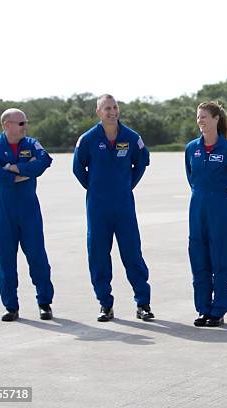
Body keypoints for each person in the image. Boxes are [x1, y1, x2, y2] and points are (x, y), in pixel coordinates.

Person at [73, 94, 154, 322]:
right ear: (98, 112)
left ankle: (143, 303)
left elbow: (141, 162)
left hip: (123, 205)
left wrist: (128, 185)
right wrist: (95, 188)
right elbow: (78, 168)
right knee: (98, 254)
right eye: (107, 108)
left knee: (132, 253)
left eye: (115, 107)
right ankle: (105, 304)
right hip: (98, 207)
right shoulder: (88, 139)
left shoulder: (131, 137)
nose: (112, 111)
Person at [0, 108, 55, 321]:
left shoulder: (31, 144)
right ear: (6, 125)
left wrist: (14, 168)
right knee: (4, 258)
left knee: (37, 256)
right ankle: (11, 306)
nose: (25, 126)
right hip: (2, 211)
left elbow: (44, 161)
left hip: (29, 209)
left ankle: (44, 303)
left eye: (26, 122)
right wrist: (24, 172)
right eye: (21, 123)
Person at [185, 101, 227, 327]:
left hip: (220, 207)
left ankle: (219, 309)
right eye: (198, 116)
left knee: (220, 258)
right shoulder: (192, 148)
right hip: (197, 205)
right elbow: (190, 175)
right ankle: (203, 308)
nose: (200, 120)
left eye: (204, 117)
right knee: (198, 257)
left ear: (215, 119)